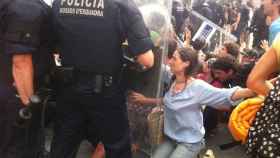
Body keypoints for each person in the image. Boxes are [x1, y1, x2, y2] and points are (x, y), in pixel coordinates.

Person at [50, 0, 155, 158]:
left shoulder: (59, 3)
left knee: (63, 144)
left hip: (68, 87)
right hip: (105, 92)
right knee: (117, 146)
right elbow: (147, 60)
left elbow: (54, 44)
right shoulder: (122, 5)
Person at [129, 47, 256, 158]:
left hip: (190, 142)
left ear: (186, 64)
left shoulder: (197, 87)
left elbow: (227, 94)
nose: (170, 61)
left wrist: (257, 88)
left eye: (174, 59)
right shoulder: (173, 79)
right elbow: (167, 101)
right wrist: (145, 100)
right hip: (170, 138)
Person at [0, 0, 54, 157]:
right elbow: (21, 61)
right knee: (18, 148)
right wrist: (29, 105)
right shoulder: (26, 8)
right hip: (15, 93)